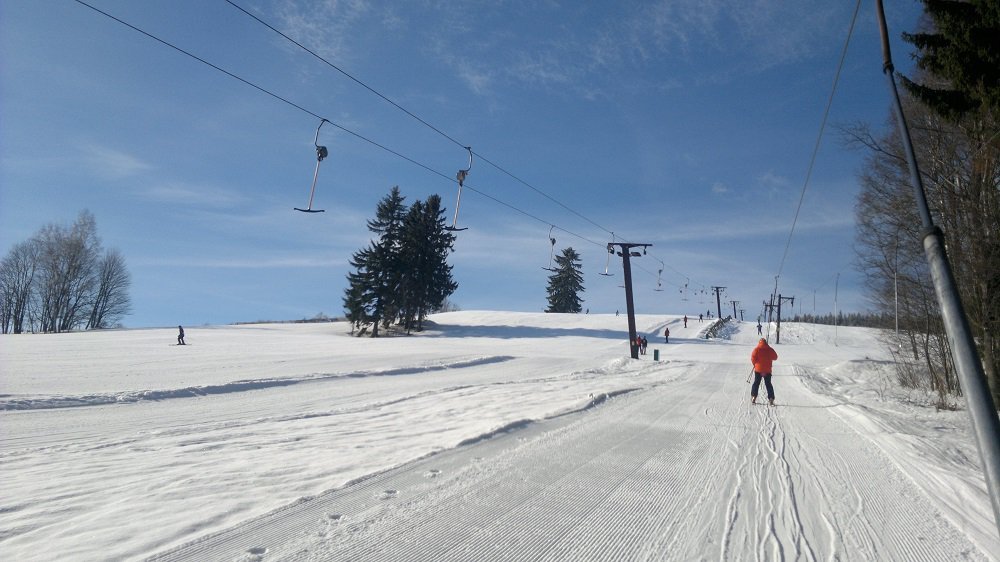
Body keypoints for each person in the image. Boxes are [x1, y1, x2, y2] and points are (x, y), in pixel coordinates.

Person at [750, 338, 778, 405]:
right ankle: (771, 398)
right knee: (768, 384)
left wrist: (755, 364)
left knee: (756, 383)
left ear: (759, 343)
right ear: (766, 343)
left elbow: (753, 358)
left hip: (758, 370)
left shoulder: (756, 349)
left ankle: (754, 397)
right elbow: (775, 357)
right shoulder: (770, 349)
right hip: (767, 370)